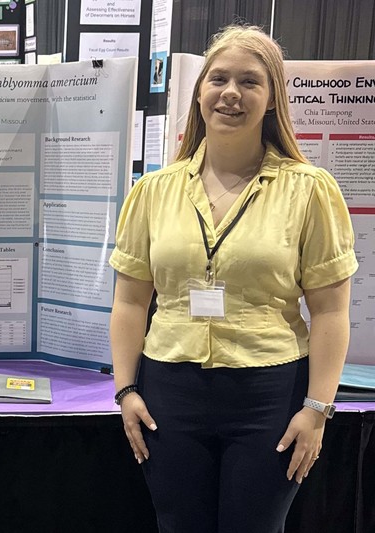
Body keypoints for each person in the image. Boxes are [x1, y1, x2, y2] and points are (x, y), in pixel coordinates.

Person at [109, 25, 357, 533]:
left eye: (249, 82)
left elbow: (331, 311)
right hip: (169, 391)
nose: (231, 94)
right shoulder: (153, 191)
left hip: (269, 393)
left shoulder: (309, 190)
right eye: (218, 79)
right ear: (199, 91)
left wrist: (317, 409)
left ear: (272, 99)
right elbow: (131, 302)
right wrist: (125, 390)